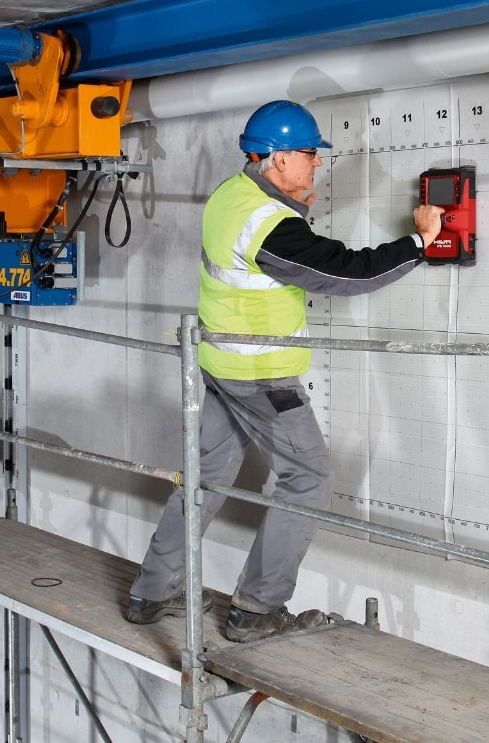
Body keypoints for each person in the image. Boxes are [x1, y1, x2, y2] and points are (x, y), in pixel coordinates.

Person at [124, 100, 445, 643]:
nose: (316, 163)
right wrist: (419, 241)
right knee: (309, 478)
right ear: (273, 158)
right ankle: (256, 610)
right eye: (307, 154)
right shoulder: (269, 223)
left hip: (220, 364)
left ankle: (151, 591)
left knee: (206, 476)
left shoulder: (234, 195)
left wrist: (295, 210)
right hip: (261, 377)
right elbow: (347, 272)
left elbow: (267, 251)